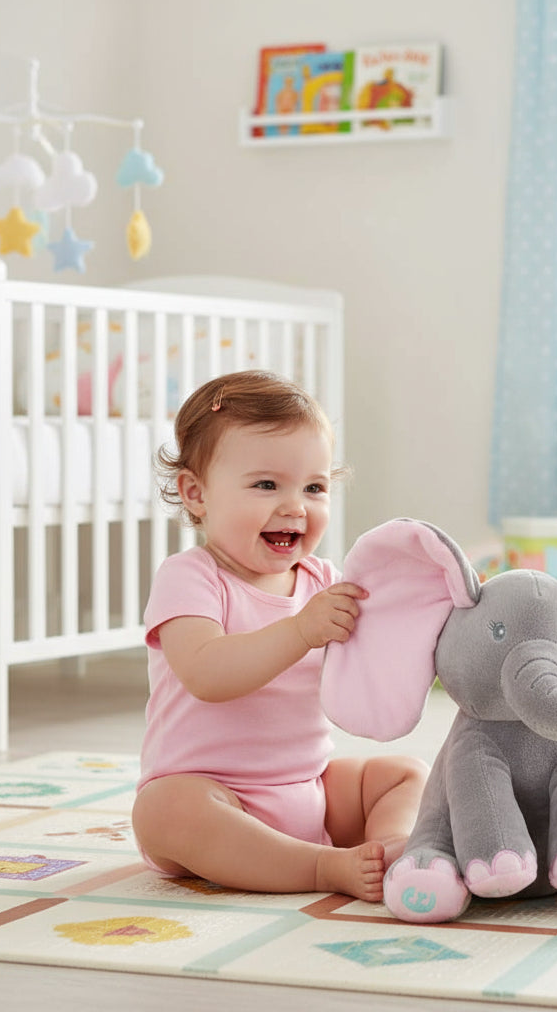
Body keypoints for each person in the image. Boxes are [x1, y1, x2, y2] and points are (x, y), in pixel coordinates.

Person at [132, 370, 428, 901]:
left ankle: (389, 850)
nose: (296, 506)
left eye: (314, 488)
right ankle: (321, 867)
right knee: (163, 810)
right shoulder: (191, 577)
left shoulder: (323, 581)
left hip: (309, 788)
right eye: (267, 485)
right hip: (214, 797)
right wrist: (300, 630)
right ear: (196, 493)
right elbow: (206, 674)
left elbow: (378, 654)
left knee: (406, 774)